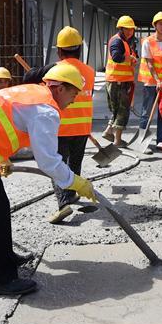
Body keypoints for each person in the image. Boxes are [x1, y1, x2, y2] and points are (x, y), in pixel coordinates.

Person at [0, 64, 97, 297]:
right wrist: (75, 182)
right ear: (61, 88)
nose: (74, 101)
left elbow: (0, 121)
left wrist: (1, 157)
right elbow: (48, 162)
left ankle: (5, 259)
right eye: (74, 94)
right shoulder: (46, 109)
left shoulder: (34, 92)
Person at [47, 26, 96, 224]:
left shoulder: (55, 71)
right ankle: (73, 193)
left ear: (59, 51)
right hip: (82, 127)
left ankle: (64, 202)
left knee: (57, 164)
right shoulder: (90, 72)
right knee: (75, 163)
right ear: (79, 50)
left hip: (61, 127)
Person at [138, 11, 162, 153]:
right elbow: (150, 64)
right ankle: (142, 142)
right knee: (147, 113)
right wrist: (158, 80)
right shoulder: (148, 42)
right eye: (160, 24)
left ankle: (161, 141)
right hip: (151, 83)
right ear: (155, 25)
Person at [103, 16, 138, 147]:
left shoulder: (125, 41)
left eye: (131, 29)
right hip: (118, 82)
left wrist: (131, 58)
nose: (129, 31)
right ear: (121, 29)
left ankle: (108, 131)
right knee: (123, 112)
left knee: (117, 110)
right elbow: (116, 57)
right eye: (126, 29)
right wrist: (129, 58)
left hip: (119, 81)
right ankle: (117, 141)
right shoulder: (117, 41)